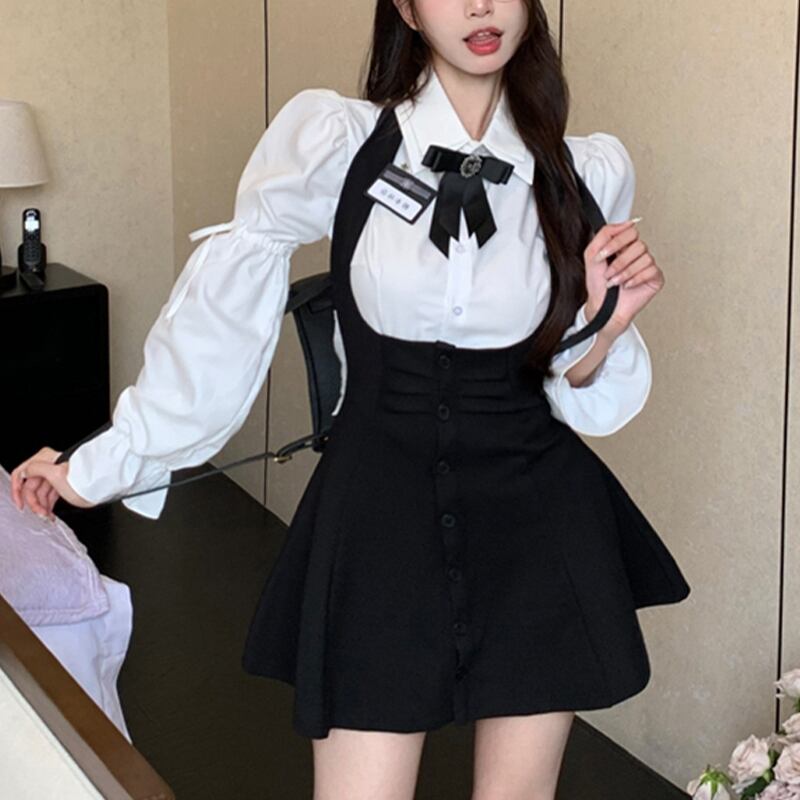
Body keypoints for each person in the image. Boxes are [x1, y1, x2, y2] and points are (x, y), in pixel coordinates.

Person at [9, 0, 691, 797]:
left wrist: (606, 325)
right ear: (405, 7)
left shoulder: (583, 172)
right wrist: (100, 464)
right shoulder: (336, 143)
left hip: (536, 517)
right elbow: (221, 318)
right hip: (379, 515)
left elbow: (576, 390)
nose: (481, 6)